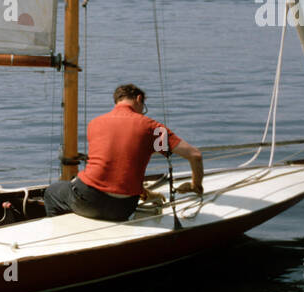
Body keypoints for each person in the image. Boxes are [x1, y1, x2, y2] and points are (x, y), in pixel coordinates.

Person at [44, 84, 203, 222]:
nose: (142, 112)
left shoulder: (95, 123)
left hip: (88, 201)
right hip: (123, 208)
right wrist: (195, 186)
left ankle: (60, 233)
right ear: (139, 99)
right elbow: (194, 155)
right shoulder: (152, 128)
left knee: (52, 192)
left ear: (117, 102)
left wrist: (147, 193)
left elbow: (112, 167)